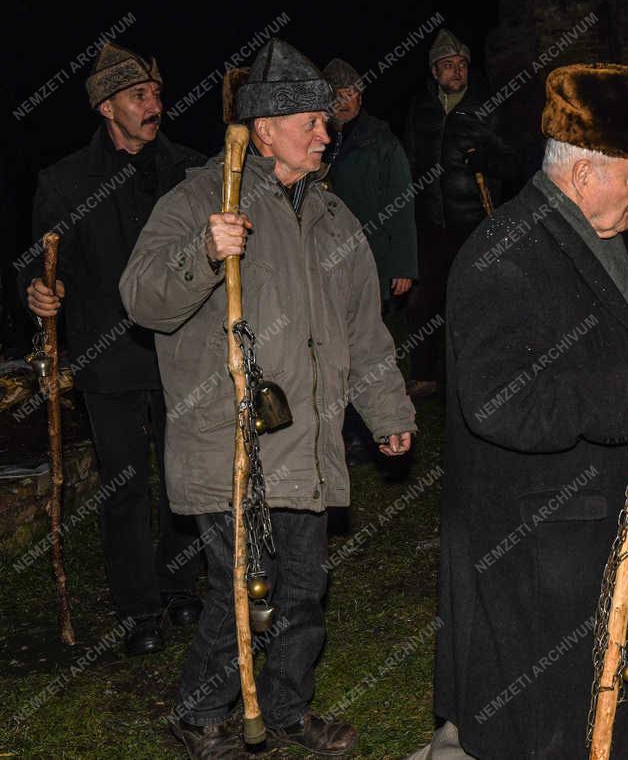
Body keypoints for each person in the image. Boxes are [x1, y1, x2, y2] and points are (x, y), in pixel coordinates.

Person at [119, 38, 416, 758]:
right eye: (312, 122)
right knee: (244, 591)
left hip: (307, 442)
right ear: (265, 131)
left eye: (326, 122)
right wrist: (204, 255)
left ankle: (286, 711)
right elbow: (142, 299)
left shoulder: (336, 220)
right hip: (230, 442)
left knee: (305, 588)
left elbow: (363, 333)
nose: (326, 133)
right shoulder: (200, 198)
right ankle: (200, 713)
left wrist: (389, 412)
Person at [418, 63, 628, 759]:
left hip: (590, 534)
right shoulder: (505, 254)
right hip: (537, 552)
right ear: (585, 171)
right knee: (546, 730)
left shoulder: (594, 238)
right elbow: (499, 403)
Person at [19, 41, 205, 657]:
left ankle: (179, 584)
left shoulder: (190, 170)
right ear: (106, 107)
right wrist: (39, 290)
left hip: (182, 350)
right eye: (137, 96)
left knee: (184, 475)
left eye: (154, 93)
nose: (154, 104)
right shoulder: (66, 180)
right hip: (109, 356)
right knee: (125, 481)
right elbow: (41, 259)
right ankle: (138, 608)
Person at [403, 29, 516, 398]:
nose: (457, 72)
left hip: (474, 223)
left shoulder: (488, 105)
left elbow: (515, 162)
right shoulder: (421, 108)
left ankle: (477, 376)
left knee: (474, 302)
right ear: (434, 72)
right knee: (423, 302)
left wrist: (489, 159)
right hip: (432, 224)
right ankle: (424, 374)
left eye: (462, 65)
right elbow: (411, 160)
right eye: (448, 66)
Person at [323, 57, 417, 466]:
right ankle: (335, 433)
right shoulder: (319, 141)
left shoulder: (381, 141)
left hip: (371, 259)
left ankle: (366, 430)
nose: (342, 102)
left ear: (360, 95)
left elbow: (401, 205)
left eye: (349, 93)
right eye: (335, 95)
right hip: (325, 264)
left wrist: (402, 265)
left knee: (364, 348)